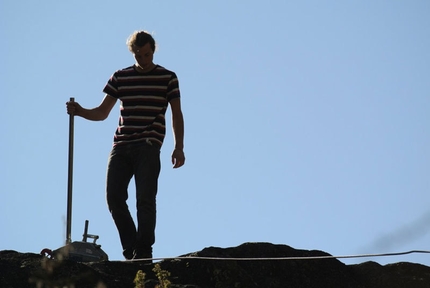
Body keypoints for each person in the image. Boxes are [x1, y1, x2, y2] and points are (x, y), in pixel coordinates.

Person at [66, 30, 185, 261]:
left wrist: (178, 146)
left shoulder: (168, 77)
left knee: (145, 198)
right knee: (114, 197)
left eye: (147, 54)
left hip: (148, 145)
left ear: (153, 50)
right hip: (121, 145)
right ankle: (131, 248)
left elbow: (176, 114)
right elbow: (102, 113)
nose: (143, 59)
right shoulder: (120, 77)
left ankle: (144, 250)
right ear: (133, 53)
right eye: (138, 55)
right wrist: (80, 111)